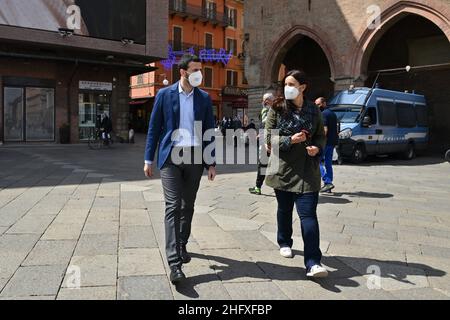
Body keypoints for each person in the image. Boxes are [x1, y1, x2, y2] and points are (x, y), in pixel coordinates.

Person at [144, 54, 216, 285]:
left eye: (201, 70)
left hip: (195, 157)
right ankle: (175, 263)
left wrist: (211, 162)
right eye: (195, 70)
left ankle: (182, 243)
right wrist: (148, 159)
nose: (199, 74)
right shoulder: (165, 94)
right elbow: (154, 128)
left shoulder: (204, 98)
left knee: (188, 206)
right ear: (183, 72)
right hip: (171, 157)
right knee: (173, 206)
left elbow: (209, 130)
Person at [265, 70, 328, 278]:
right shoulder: (276, 109)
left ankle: (313, 262)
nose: (287, 88)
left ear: (302, 87)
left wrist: (317, 148)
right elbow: (269, 142)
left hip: (308, 171)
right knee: (284, 210)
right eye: (285, 84)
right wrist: (290, 140)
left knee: (308, 215)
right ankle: (284, 240)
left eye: (291, 84)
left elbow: (320, 136)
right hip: (282, 168)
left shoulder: (313, 110)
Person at [249, 93, 274, 195]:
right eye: (263, 100)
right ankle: (258, 187)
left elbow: (269, 125)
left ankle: (259, 187)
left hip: (271, 141)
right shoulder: (266, 110)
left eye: (265, 100)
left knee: (266, 164)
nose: (263, 102)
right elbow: (264, 124)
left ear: (269, 100)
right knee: (265, 164)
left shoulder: (273, 110)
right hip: (267, 139)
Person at [315, 97, 339, 193]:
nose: (317, 106)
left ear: (324, 103)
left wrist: (319, 142)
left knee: (316, 161)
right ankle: (328, 186)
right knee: (328, 163)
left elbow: (325, 130)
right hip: (332, 142)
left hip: (325, 142)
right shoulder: (332, 113)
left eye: (318, 104)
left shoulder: (323, 114)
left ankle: (327, 181)